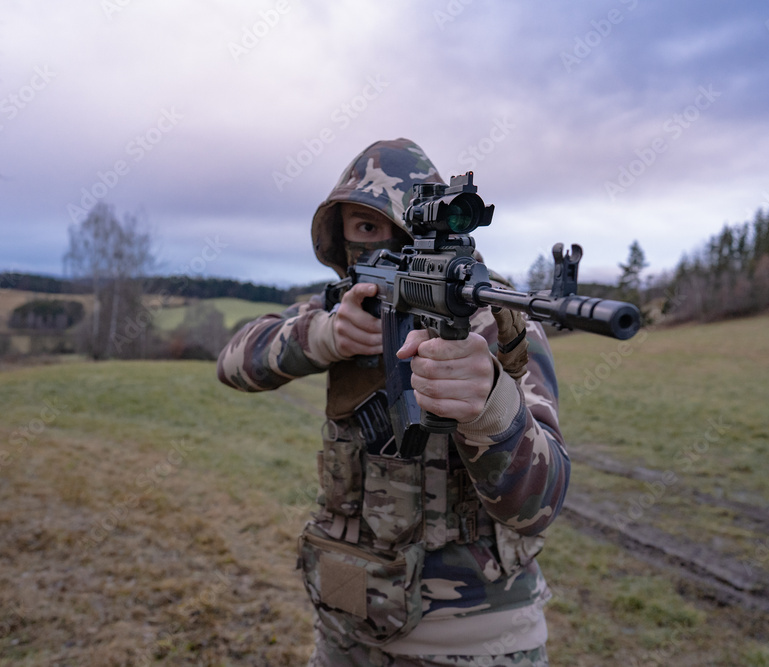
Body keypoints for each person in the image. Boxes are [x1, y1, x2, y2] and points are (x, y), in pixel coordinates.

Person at [217, 138, 570, 666]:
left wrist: (490, 407)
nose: (380, 243)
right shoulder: (341, 307)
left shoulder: (491, 320)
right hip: (346, 622)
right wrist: (323, 337)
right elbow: (232, 364)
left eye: (397, 228)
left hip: (473, 642)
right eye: (364, 227)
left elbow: (541, 501)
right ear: (339, 238)